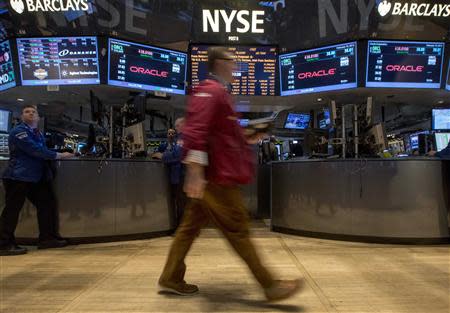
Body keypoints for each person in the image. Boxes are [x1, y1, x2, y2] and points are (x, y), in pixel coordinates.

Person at [158, 47, 303, 301]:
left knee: (189, 228)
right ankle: (270, 285)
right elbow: (196, 131)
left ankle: (171, 277)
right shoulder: (210, 90)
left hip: (213, 175)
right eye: (232, 61)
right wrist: (194, 171)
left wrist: (250, 135)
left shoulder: (219, 92)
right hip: (216, 178)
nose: (236, 66)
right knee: (237, 229)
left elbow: (222, 135)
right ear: (219, 63)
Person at [0, 105, 74, 256]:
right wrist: (59, 155)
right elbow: (35, 150)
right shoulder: (19, 132)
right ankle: (3, 243)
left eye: (34, 112)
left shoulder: (37, 133)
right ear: (22, 116)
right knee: (12, 210)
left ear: (38, 118)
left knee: (47, 203)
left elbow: (43, 149)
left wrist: (60, 152)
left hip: (34, 178)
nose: (31, 113)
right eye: (27, 111)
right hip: (17, 177)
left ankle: (47, 239)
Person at [154, 118, 186, 226]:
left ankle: (180, 228)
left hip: (180, 176)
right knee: (180, 202)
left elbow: (177, 156)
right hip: (178, 176)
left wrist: (162, 156)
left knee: (180, 203)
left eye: (177, 126)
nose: (176, 130)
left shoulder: (182, 139)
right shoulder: (178, 139)